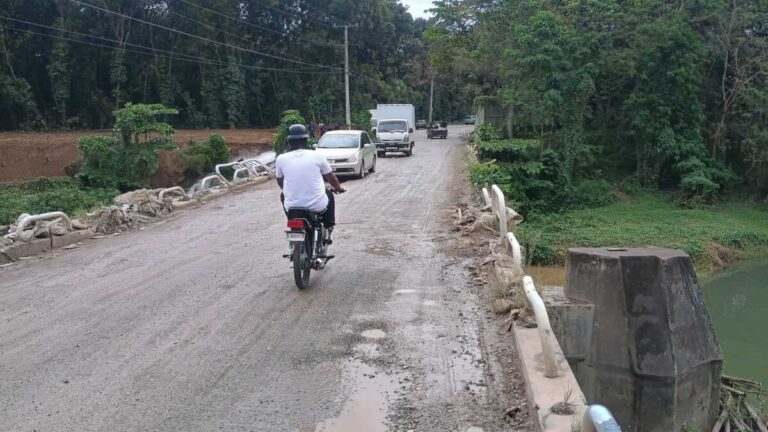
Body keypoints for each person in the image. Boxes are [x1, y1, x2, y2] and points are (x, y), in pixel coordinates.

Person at [275, 124, 345, 235]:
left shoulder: (281, 158)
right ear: (306, 140)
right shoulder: (318, 156)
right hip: (317, 206)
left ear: (289, 142)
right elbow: (332, 179)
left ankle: (291, 220)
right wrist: (338, 188)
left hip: (293, 208)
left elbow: (279, 180)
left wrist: (288, 190)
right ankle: (329, 226)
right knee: (329, 193)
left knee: (283, 195)